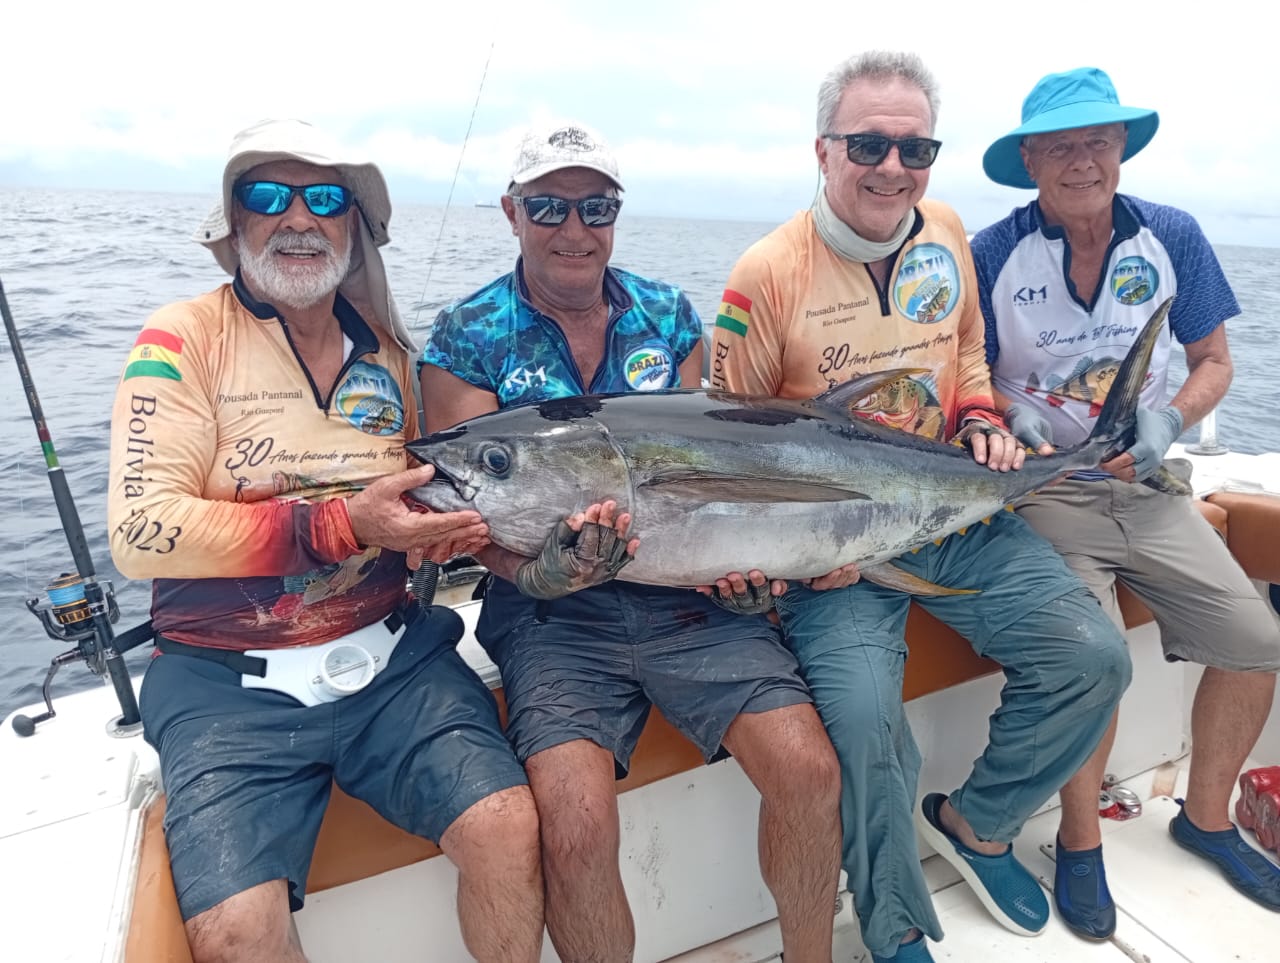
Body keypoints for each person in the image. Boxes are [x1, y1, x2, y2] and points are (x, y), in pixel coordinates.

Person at [712, 51, 1134, 961]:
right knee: (868, 728)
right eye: (868, 144)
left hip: (951, 510)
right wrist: (783, 558)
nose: (893, 168)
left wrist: (981, 415)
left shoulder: (944, 228)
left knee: (1094, 656)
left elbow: (969, 350)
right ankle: (895, 918)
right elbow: (725, 454)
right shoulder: (765, 275)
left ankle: (976, 821)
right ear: (823, 151)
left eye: (916, 147)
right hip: (832, 560)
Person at [107, 119, 544, 963]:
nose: (297, 217)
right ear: (234, 221)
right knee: (236, 926)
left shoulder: (389, 353)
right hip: (222, 685)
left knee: (506, 822)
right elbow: (139, 530)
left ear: (354, 227)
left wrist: (437, 538)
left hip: (392, 661)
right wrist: (334, 523)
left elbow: (421, 501)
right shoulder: (179, 339)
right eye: (268, 196)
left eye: (326, 198)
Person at [419, 121, 843, 963]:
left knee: (808, 769)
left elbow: (714, 473)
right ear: (511, 212)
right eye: (548, 205)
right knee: (573, 822)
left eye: (595, 206)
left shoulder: (667, 314)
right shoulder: (466, 336)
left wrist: (746, 574)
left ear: (616, 214)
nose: (573, 228)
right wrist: (533, 571)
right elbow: (459, 513)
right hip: (552, 622)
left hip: (686, 598)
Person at [971, 66, 1280, 938]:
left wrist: (1169, 419)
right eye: (1061, 146)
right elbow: (965, 381)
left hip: (1147, 488)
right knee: (1092, 650)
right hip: (1047, 494)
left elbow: (1215, 359)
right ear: (1029, 161)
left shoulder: (1171, 234)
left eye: (1098, 142)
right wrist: (1003, 431)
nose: (1081, 161)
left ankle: (1206, 816)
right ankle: (1079, 843)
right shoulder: (991, 253)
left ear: (1122, 150)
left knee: (1259, 641)